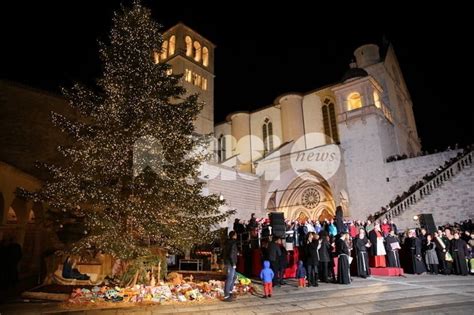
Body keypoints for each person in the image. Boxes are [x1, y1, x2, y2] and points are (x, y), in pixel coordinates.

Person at [223, 231, 238, 302]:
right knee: (230, 278)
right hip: (230, 263)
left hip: (228, 262)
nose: (236, 236)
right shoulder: (232, 243)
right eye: (236, 235)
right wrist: (233, 263)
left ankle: (230, 292)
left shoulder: (227, 243)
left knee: (234, 276)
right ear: (233, 236)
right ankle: (226, 296)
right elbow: (231, 254)